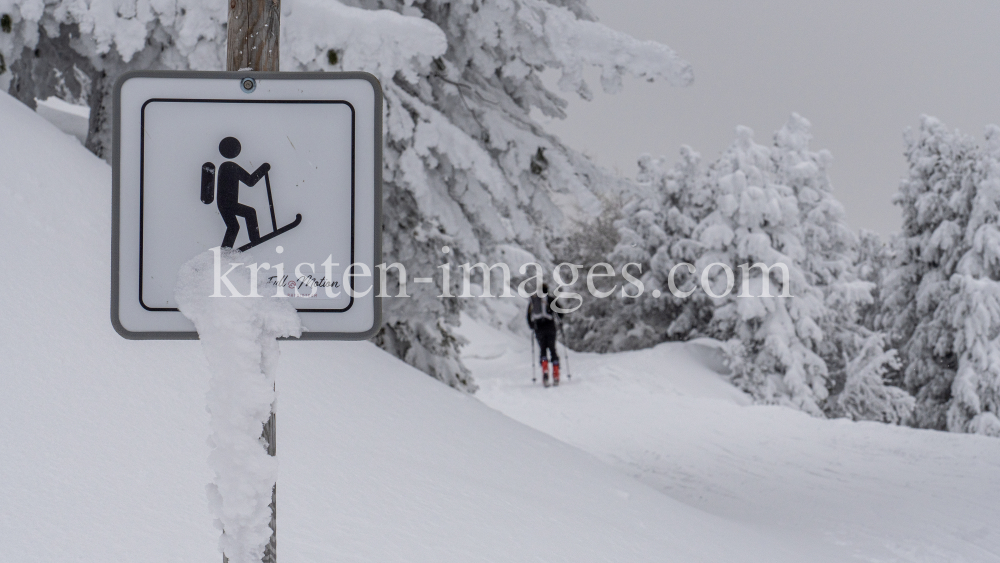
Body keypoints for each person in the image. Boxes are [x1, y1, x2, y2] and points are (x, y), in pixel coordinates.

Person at [214, 136, 270, 249]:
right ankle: (255, 239)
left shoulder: (224, 166)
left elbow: (250, 181)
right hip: (228, 204)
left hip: (223, 204)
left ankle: (225, 250)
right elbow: (250, 181)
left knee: (233, 227)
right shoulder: (231, 167)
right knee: (250, 213)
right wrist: (264, 169)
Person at [527, 284, 562, 387]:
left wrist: (532, 326)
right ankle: (556, 375)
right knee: (552, 350)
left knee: (543, 350)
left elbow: (528, 316)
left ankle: (545, 372)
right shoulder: (551, 299)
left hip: (539, 328)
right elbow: (561, 313)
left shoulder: (533, 301)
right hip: (550, 327)